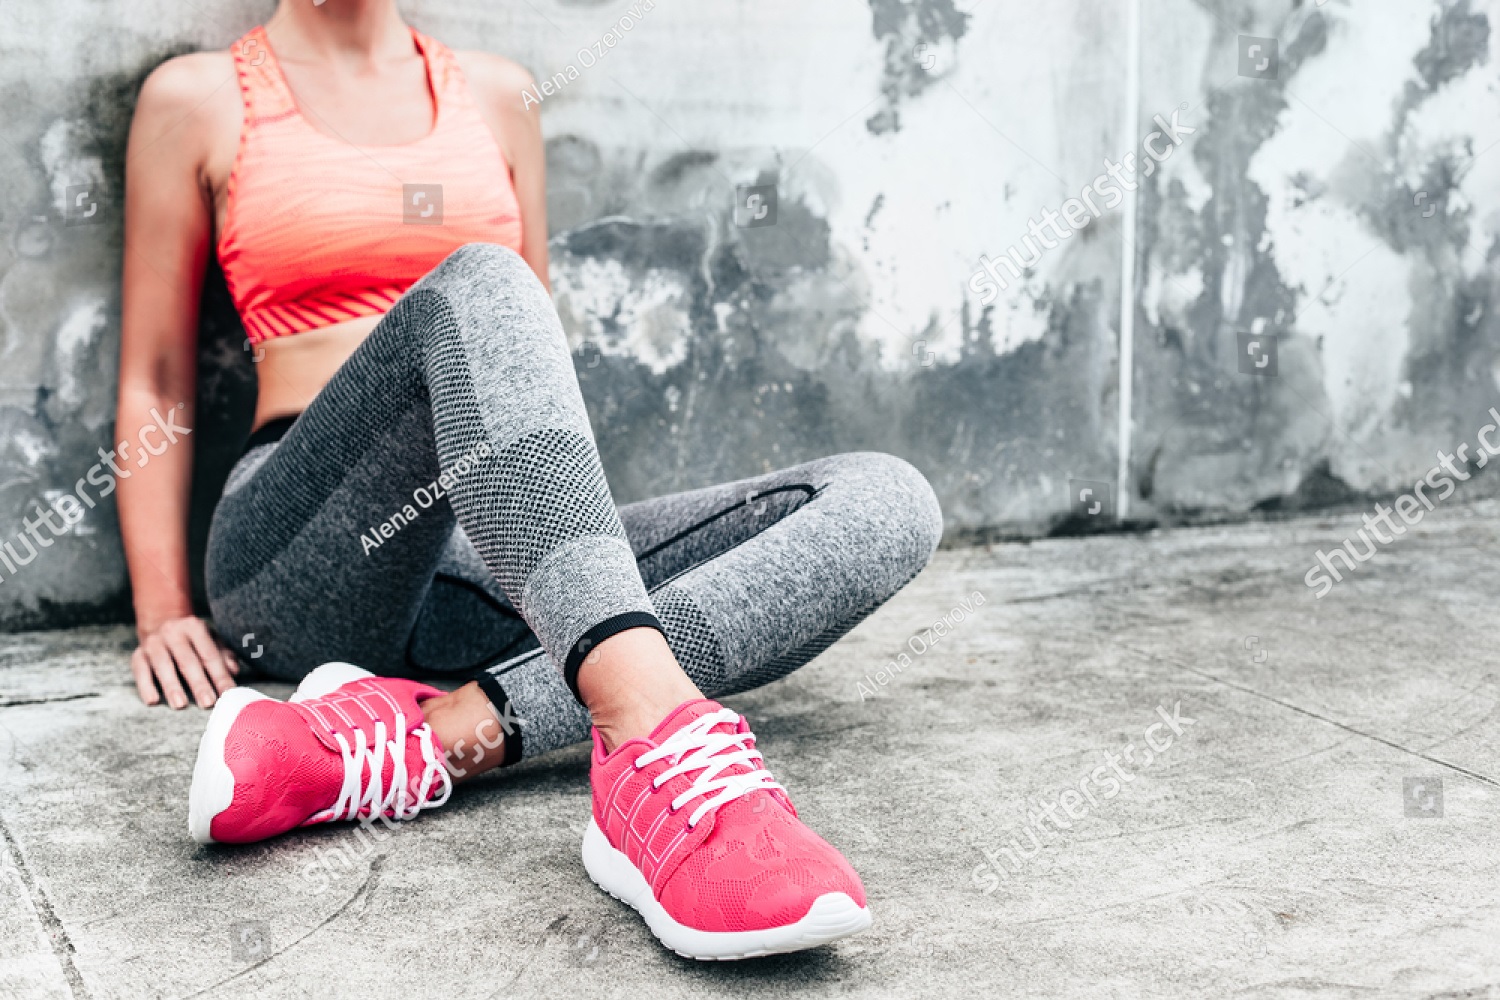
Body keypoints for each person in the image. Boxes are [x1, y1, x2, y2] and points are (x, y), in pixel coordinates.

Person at [119, 0, 941, 960]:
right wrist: (161, 609)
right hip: (311, 546)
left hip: (481, 547)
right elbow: (156, 378)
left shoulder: (501, 94)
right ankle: (648, 731)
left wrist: (565, 552)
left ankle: (431, 739)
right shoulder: (198, 98)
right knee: (482, 279)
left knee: (887, 502)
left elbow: (528, 360)